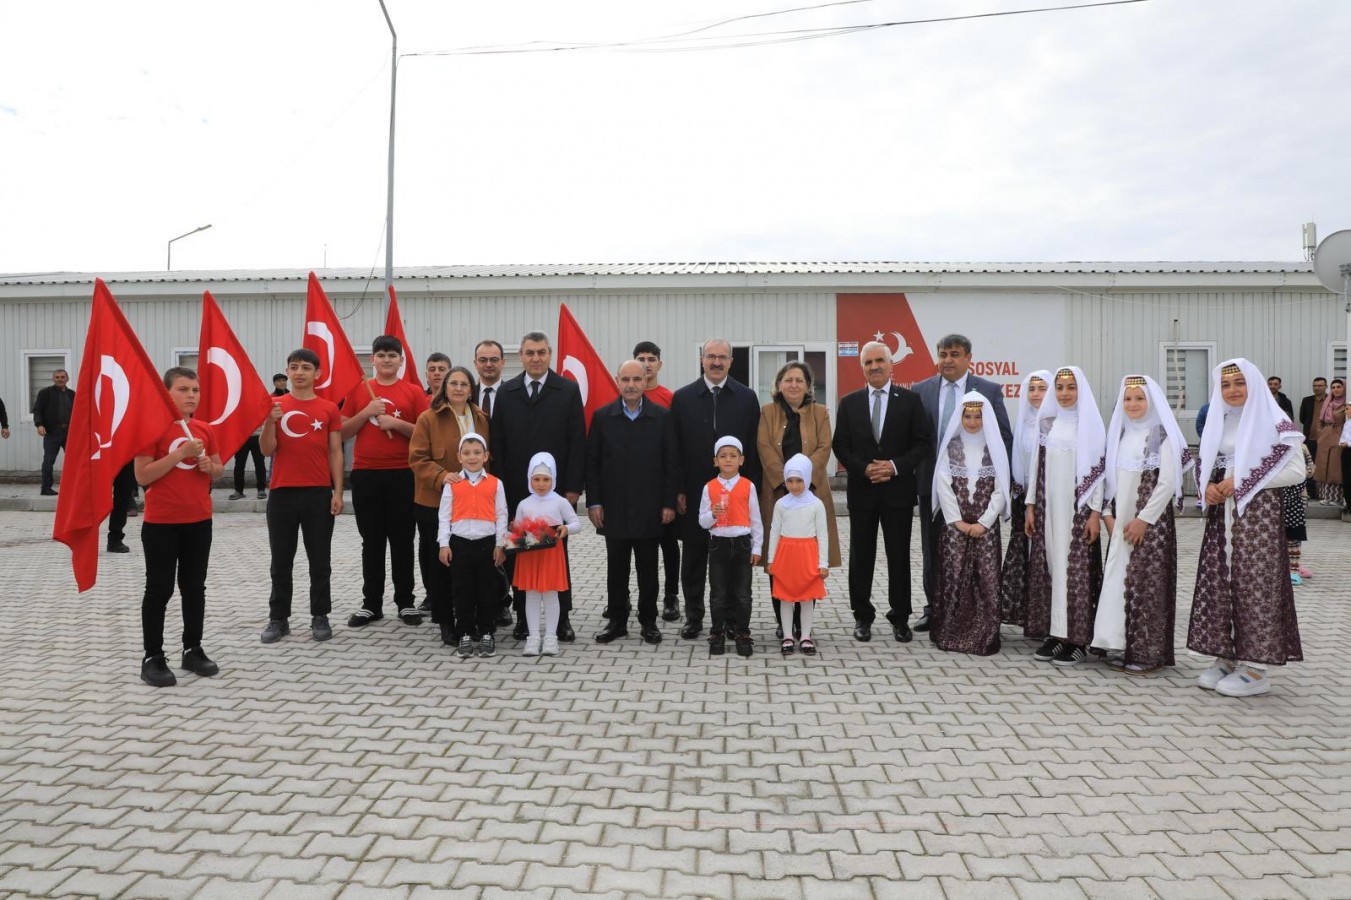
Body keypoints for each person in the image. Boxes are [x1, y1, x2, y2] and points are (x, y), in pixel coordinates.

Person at [1188, 358, 1304, 697]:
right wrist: (1208, 487)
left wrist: (1243, 481)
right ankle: (1226, 656)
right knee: (1223, 581)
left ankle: (1256, 667)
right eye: (1225, 385)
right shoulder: (1219, 420)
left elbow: (1296, 471)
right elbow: (1211, 463)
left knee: (1257, 584)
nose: (1233, 390)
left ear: (1253, 385)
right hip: (1222, 518)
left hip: (1258, 519)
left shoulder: (1273, 420)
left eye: (1239, 383)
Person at [832, 341, 933, 643]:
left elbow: (922, 443)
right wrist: (863, 469)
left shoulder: (910, 401)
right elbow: (841, 445)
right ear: (861, 367)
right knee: (861, 557)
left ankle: (900, 618)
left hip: (897, 493)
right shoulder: (849, 403)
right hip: (863, 493)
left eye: (880, 361)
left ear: (892, 365)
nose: (874, 366)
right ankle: (862, 616)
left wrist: (893, 466)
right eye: (868, 362)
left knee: (899, 557)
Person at [490, 332, 587, 642]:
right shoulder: (507, 392)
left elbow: (576, 442)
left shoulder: (568, 390)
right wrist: (502, 491)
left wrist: (572, 489)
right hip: (519, 492)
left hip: (555, 495)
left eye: (541, 352)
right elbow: (499, 444)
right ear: (521, 355)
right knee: (521, 556)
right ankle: (523, 618)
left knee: (557, 554)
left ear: (550, 354)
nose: (535, 358)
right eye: (529, 352)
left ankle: (562, 620)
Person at [912, 335, 1012, 633]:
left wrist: (996, 479)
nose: (948, 360)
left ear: (969, 358)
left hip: (978, 488)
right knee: (934, 549)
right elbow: (917, 438)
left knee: (975, 552)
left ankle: (977, 610)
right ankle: (934, 608)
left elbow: (1003, 437)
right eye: (943, 354)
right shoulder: (921, 390)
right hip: (934, 484)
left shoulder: (989, 390)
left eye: (955, 354)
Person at [133, 367, 224, 687]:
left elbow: (218, 468)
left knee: (194, 587)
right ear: (166, 393)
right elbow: (143, 476)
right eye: (183, 389)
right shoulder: (151, 429)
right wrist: (181, 455)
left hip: (199, 520)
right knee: (159, 589)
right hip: (161, 523)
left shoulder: (204, 429)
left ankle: (192, 648)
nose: (191, 396)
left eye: (195, 390)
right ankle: (152, 656)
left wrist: (209, 466)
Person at [1091, 375, 1184, 675]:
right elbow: (1109, 481)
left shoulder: (1162, 435)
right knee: (1121, 582)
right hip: (1121, 524)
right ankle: (1121, 644)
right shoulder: (1118, 435)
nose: (1132, 404)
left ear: (1152, 402)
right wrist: (1107, 514)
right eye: (1127, 399)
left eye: (1139, 398)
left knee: (1148, 585)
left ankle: (1150, 653)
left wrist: (1144, 520)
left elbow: (1168, 483)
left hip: (1150, 524)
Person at [669, 338, 761, 640]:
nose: (717, 362)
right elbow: (675, 450)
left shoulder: (747, 398)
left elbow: (754, 450)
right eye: (711, 357)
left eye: (722, 357)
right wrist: (678, 489)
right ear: (701, 359)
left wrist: (753, 495)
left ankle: (732, 620)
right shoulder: (682, 399)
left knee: (733, 566)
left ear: (731, 362)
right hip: (697, 495)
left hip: (736, 498)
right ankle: (694, 616)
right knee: (693, 560)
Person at [339, 335, 430, 630]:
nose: (387, 359)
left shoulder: (413, 392)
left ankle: (405, 601)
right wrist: (366, 413)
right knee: (372, 542)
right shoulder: (358, 391)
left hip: (404, 474)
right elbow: (341, 431)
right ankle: (371, 604)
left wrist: (397, 424)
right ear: (373, 360)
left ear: (401, 360)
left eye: (393, 355)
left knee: (403, 541)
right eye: (381, 354)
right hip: (366, 474)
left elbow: (425, 432)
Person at [587, 360, 678, 645]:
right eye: (625, 379)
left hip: (649, 508)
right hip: (613, 508)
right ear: (617, 380)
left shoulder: (662, 417)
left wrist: (667, 503)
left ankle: (648, 621)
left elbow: (670, 465)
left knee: (648, 569)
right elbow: (593, 464)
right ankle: (617, 621)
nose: (630, 385)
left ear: (645, 380)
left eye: (636, 379)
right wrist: (595, 502)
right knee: (617, 568)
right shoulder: (603, 417)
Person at [259, 349, 344, 644]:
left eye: (306, 367)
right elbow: (267, 450)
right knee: (281, 560)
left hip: (318, 494)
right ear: (287, 371)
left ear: (317, 374)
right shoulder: (275, 405)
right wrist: (270, 421)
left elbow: (335, 451)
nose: (299, 372)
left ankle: (320, 615)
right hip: (282, 493)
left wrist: (338, 490)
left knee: (319, 560)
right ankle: (278, 618)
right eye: (293, 367)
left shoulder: (329, 408)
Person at [1023, 366, 1105, 667]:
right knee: (1051, 568)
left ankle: (1078, 639)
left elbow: (1099, 474)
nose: (1065, 393)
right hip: (1047, 509)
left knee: (1076, 573)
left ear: (1081, 391)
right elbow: (1035, 468)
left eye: (1071, 388)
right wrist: (1030, 506)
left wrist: (1095, 513)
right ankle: (1056, 634)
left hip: (1077, 511)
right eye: (1060, 388)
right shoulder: (1047, 424)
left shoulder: (1091, 425)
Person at [756, 360, 840, 640]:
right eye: (788, 379)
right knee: (779, 556)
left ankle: (803, 623)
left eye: (799, 380)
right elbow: (764, 446)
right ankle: (783, 619)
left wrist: (802, 482)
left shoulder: (820, 413)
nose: (793, 385)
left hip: (812, 493)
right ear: (779, 385)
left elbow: (824, 447)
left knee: (809, 557)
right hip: (778, 493)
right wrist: (785, 482)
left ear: (808, 387)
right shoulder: (767, 412)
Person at [409, 365, 489, 644]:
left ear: (471, 389)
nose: (458, 388)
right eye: (452, 383)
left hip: (472, 506)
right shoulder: (428, 418)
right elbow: (417, 459)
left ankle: (471, 618)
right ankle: (444, 621)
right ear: (444, 388)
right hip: (434, 502)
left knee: (470, 565)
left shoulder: (481, 418)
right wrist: (443, 477)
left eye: (463, 384)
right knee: (440, 564)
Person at [930, 393, 1008, 656]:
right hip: (955, 529)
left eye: (978, 416)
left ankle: (986, 632)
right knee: (954, 577)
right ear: (959, 418)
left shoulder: (994, 447)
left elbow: (1001, 490)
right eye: (967, 416)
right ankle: (951, 630)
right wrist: (958, 522)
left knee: (985, 579)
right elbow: (943, 485)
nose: (972, 422)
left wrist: (984, 523)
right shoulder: (951, 447)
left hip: (986, 530)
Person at [437, 433, 508, 658]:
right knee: (462, 591)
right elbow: (444, 515)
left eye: (477, 452)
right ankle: (465, 632)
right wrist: (444, 544)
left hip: (487, 545)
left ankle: (487, 632)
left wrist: (500, 544)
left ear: (486, 456)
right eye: (466, 453)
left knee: (487, 590)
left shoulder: (496, 484)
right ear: (459, 456)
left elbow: (502, 514)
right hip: (460, 545)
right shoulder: (452, 484)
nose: (472, 457)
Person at [511, 452, 584, 657]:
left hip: (552, 556)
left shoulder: (559, 501)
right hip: (529, 557)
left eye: (546, 479)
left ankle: (551, 637)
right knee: (531, 595)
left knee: (551, 595)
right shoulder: (524, 504)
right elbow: (516, 530)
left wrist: (566, 529)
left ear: (553, 479)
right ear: (529, 479)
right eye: (536, 479)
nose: (541, 484)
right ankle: (533, 637)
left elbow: (576, 522)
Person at [698, 436, 764, 657]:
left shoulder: (748, 486)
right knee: (718, 593)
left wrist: (757, 548)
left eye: (733, 456)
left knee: (743, 593)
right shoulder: (709, 487)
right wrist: (711, 515)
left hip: (743, 544)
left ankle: (742, 633)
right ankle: (717, 632)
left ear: (742, 460)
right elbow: (702, 521)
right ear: (715, 461)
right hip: (718, 544)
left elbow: (756, 519)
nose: (728, 460)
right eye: (723, 456)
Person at [997, 370, 1051, 633]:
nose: (1036, 394)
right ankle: (1032, 616)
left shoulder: (1056, 422)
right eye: (1032, 389)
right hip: (1024, 500)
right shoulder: (1023, 422)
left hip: (1050, 501)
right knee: (1028, 557)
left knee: (1048, 558)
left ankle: (1051, 617)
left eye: (1042, 388)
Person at [765, 453, 830, 656]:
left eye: (799, 480)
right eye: (790, 480)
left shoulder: (816, 504)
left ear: (808, 479)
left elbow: (823, 535)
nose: (794, 485)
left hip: (807, 555)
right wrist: (771, 560)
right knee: (785, 598)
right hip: (786, 556)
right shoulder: (781, 504)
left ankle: (805, 636)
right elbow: (774, 531)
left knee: (806, 598)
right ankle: (787, 635)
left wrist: (823, 562)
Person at [634, 339, 680, 621]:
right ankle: (628, 598)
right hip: (635, 492)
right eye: (642, 359)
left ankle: (671, 597)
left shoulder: (670, 398)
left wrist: (676, 491)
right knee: (634, 549)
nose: (647, 363)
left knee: (668, 546)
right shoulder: (626, 396)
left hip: (663, 489)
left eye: (652, 359)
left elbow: (675, 448)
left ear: (659, 364)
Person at [33, 368, 74, 495]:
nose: (60, 379)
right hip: (52, 432)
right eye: (57, 377)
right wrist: (39, 425)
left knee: (74, 461)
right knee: (48, 461)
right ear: (53, 379)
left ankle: (73, 487)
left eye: (62, 377)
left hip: (70, 433)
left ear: (67, 379)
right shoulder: (45, 393)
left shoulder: (73, 394)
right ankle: (46, 488)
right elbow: (38, 410)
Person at [1310, 378, 1346, 507]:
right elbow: (1320, 421)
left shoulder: (1346, 404)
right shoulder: (1328, 403)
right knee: (1323, 467)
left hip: (1339, 438)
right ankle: (1326, 496)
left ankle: (1337, 498)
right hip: (1325, 438)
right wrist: (1321, 434)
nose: (1336, 389)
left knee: (1335, 469)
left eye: (1339, 387)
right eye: (1333, 387)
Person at [1286, 443, 1314, 584]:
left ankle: (1294, 569)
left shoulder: (1301, 447)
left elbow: (1311, 468)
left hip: (1296, 499)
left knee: (1294, 536)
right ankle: (1283, 567)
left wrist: (1301, 473)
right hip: (1274, 499)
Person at [1299, 377, 1327, 500]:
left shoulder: (1330, 401)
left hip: (1326, 440)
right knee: (1309, 466)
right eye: (1315, 385)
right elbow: (1302, 418)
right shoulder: (1307, 400)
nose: (1317, 388)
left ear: (1325, 387)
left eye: (1320, 385)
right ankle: (1311, 492)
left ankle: (1324, 494)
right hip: (1310, 439)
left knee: (1324, 466)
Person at [228, 422, 268, 501]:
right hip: (241, 436)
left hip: (258, 435)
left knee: (260, 463)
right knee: (239, 465)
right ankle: (238, 490)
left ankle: (261, 489)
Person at [472, 340, 506, 419]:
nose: (488, 365)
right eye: (483, 360)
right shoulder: (468, 396)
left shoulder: (514, 395)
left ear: (503, 362)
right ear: (475, 364)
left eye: (494, 359)